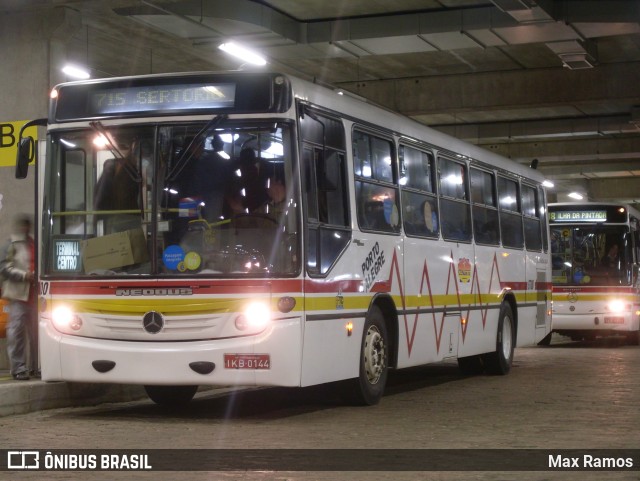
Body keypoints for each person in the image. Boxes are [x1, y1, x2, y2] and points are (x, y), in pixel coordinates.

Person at [0, 215, 37, 380]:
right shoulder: (12, 244)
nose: (25, 228)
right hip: (18, 296)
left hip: (36, 296)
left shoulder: (35, 243)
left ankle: (37, 366)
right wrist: (24, 276)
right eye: (23, 226)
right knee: (16, 333)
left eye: (27, 225)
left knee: (37, 334)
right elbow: (4, 267)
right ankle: (18, 368)